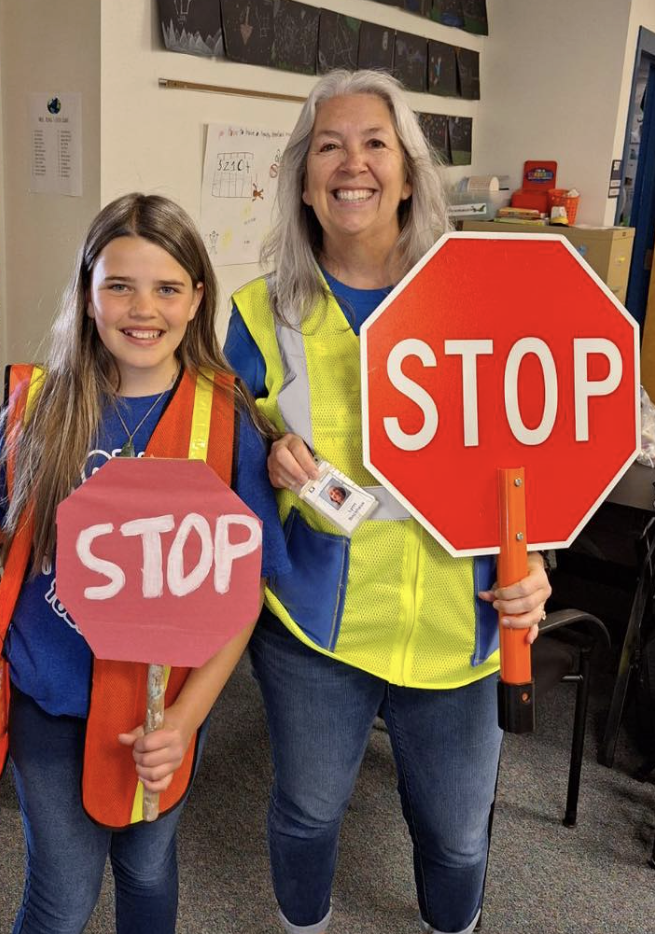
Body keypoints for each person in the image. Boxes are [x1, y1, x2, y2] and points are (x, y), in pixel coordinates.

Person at [225, 70, 551, 934]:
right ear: (302, 177)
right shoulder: (261, 313)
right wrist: (266, 452)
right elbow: (224, 450)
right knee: (306, 814)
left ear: (409, 172)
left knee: (454, 843)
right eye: (328, 145)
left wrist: (539, 561)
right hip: (314, 630)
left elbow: (536, 456)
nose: (352, 163)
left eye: (376, 143)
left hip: (463, 627)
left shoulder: (487, 297)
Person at [0, 193, 289, 934]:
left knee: (149, 868)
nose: (141, 307)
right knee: (60, 894)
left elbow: (239, 593)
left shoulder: (229, 424)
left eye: (166, 287)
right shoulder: (43, 405)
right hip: (49, 698)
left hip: (162, 706)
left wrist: (187, 720)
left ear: (195, 301)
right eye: (118, 284)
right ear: (88, 296)